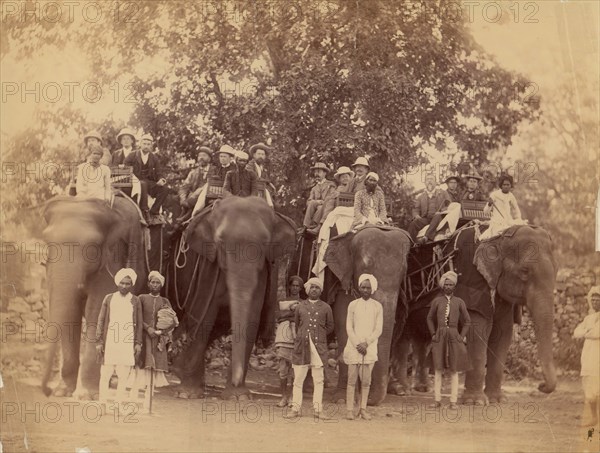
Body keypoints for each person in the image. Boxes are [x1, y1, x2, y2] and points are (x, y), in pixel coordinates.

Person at [284, 277, 334, 420]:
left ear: (320, 290)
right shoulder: (301, 306)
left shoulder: (326, 307)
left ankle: (318, 410)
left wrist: (320, 334)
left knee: (318, 379)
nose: (314, 290)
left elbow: (330, 326)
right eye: (312, 287)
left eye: (317, 287)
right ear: (307, 290)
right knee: (298, 379)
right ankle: (295, 409)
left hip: (319, 348)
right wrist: (301, 336)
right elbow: (298, 322)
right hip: (302, 346)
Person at [95, 268, 143, 405]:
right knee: (105, 374)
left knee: (123, 376)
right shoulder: (109, 298)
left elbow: (139, 323)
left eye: (127, 283)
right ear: (117, 282)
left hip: (127, 342)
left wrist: (138, 343)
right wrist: (99, 341)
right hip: (110, 340)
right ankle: (102, 403)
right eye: (122, 283)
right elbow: (101, 320)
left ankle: (118, 404)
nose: (124, 286)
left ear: (131, 284)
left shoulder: (135, 300)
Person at [132, 271, 178, 408]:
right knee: (140, 366)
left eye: (158, 282)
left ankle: (148, 402)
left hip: (158, 339)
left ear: (161, 285)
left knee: (153, 368)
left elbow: (172, 321)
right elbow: (137, 316)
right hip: (143, 337)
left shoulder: (165, 301)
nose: (155, 285)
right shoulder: (141, 298)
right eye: (153, 282)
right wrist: (148, 329)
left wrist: (160, 331)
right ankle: (133, 399)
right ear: (148, 284)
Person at [426, 271, 471, 409]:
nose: (448, 287)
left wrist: (461, 335)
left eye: (451, 284)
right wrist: (433, 333)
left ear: (454, 286)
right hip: (439, 336)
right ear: (442, 285)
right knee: (438, 369)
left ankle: (453, 401)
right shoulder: (436, 301)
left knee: (454, 369)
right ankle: (437, 400)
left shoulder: (459, 302)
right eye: (446, 284)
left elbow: (467, 321)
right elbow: (429, 318)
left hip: (453, 336)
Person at [344, 274, 383, 421]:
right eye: (363, 287)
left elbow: (378, 329)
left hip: (369, 347)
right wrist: (357, 344)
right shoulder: (353, 305)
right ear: (359, 287)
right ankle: (349, 410)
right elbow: (349, 326)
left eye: (368, 287)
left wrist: (367, 343)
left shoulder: (377, 306)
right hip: (354, 347)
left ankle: (363, 409)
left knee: (366, 381)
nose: (365, 290)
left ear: (373, 289)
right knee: (351, 380)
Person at [124, 133, 170, 221]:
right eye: (144, 144)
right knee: (143, 183)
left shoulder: (154, 158)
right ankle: (144, 210)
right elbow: (126, 167)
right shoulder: (132, 155)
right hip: (134, 181)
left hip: (148, 182)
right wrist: (133, 177)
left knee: (165, 189)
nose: (146, 146)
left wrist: (161, 179)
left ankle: (154, 211)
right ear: (140, 144)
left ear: (151, 146)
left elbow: (158, 172)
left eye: (148, 144)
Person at [274, 275, 304, 408]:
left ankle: (292, 397)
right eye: (293, 285)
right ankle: (283, 397)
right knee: (283, 369)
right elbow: (278, 316)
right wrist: (290, 313)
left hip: (296, 336)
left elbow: (303, 317)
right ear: (290, 286)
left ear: (301, 288)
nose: (295, 288)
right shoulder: (282, 302)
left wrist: (290, 314)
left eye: (298, 286)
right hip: (283, 335)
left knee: (295, 369)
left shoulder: (303, 303)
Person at [573, 286, 600, 428]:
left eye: (598, 300)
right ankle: (594, 417)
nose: (595, 302)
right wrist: (585, 332)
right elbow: (577, 331)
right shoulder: (589, 318)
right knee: (589, 385)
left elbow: (596, 333)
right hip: (589, 354)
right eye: (593, 300)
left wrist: (586, 333)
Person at [407, 174, 452, 241]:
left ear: (435, 182)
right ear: (425, 182)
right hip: (426, 219)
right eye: (427, 179)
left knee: (437, 215)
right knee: (414, 223)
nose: (429, 181)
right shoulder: (421, 197)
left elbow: (449, 204)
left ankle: (426, 237)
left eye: (431, 179)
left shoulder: (443, 193)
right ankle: (410, 244)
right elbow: (416, 209)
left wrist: (442, 211)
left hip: (439, 218)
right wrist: (416, 215)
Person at [481, 174, 525, 239]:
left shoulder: (511, 196)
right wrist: (489, 204)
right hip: (497, 222)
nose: (506, 186)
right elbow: (485, 212)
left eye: (508, 185)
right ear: (501, 185)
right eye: (504, 185)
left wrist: (519, 218)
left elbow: (516, 209)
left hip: (508, 221)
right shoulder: (494, 195)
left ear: (511, 186)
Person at [300, 162, 336, 235]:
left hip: (327, 209)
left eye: (319, 172)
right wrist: (316, 202)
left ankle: (315, 225)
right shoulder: (314, 188)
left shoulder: (331, 184)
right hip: (316, 208)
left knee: (320, 207)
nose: (316, 174)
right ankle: (305, 226)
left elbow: (332, 198)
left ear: (325, 173)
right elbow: (308, 202)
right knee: (313, 203)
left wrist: (321, 202)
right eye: (315, 172)